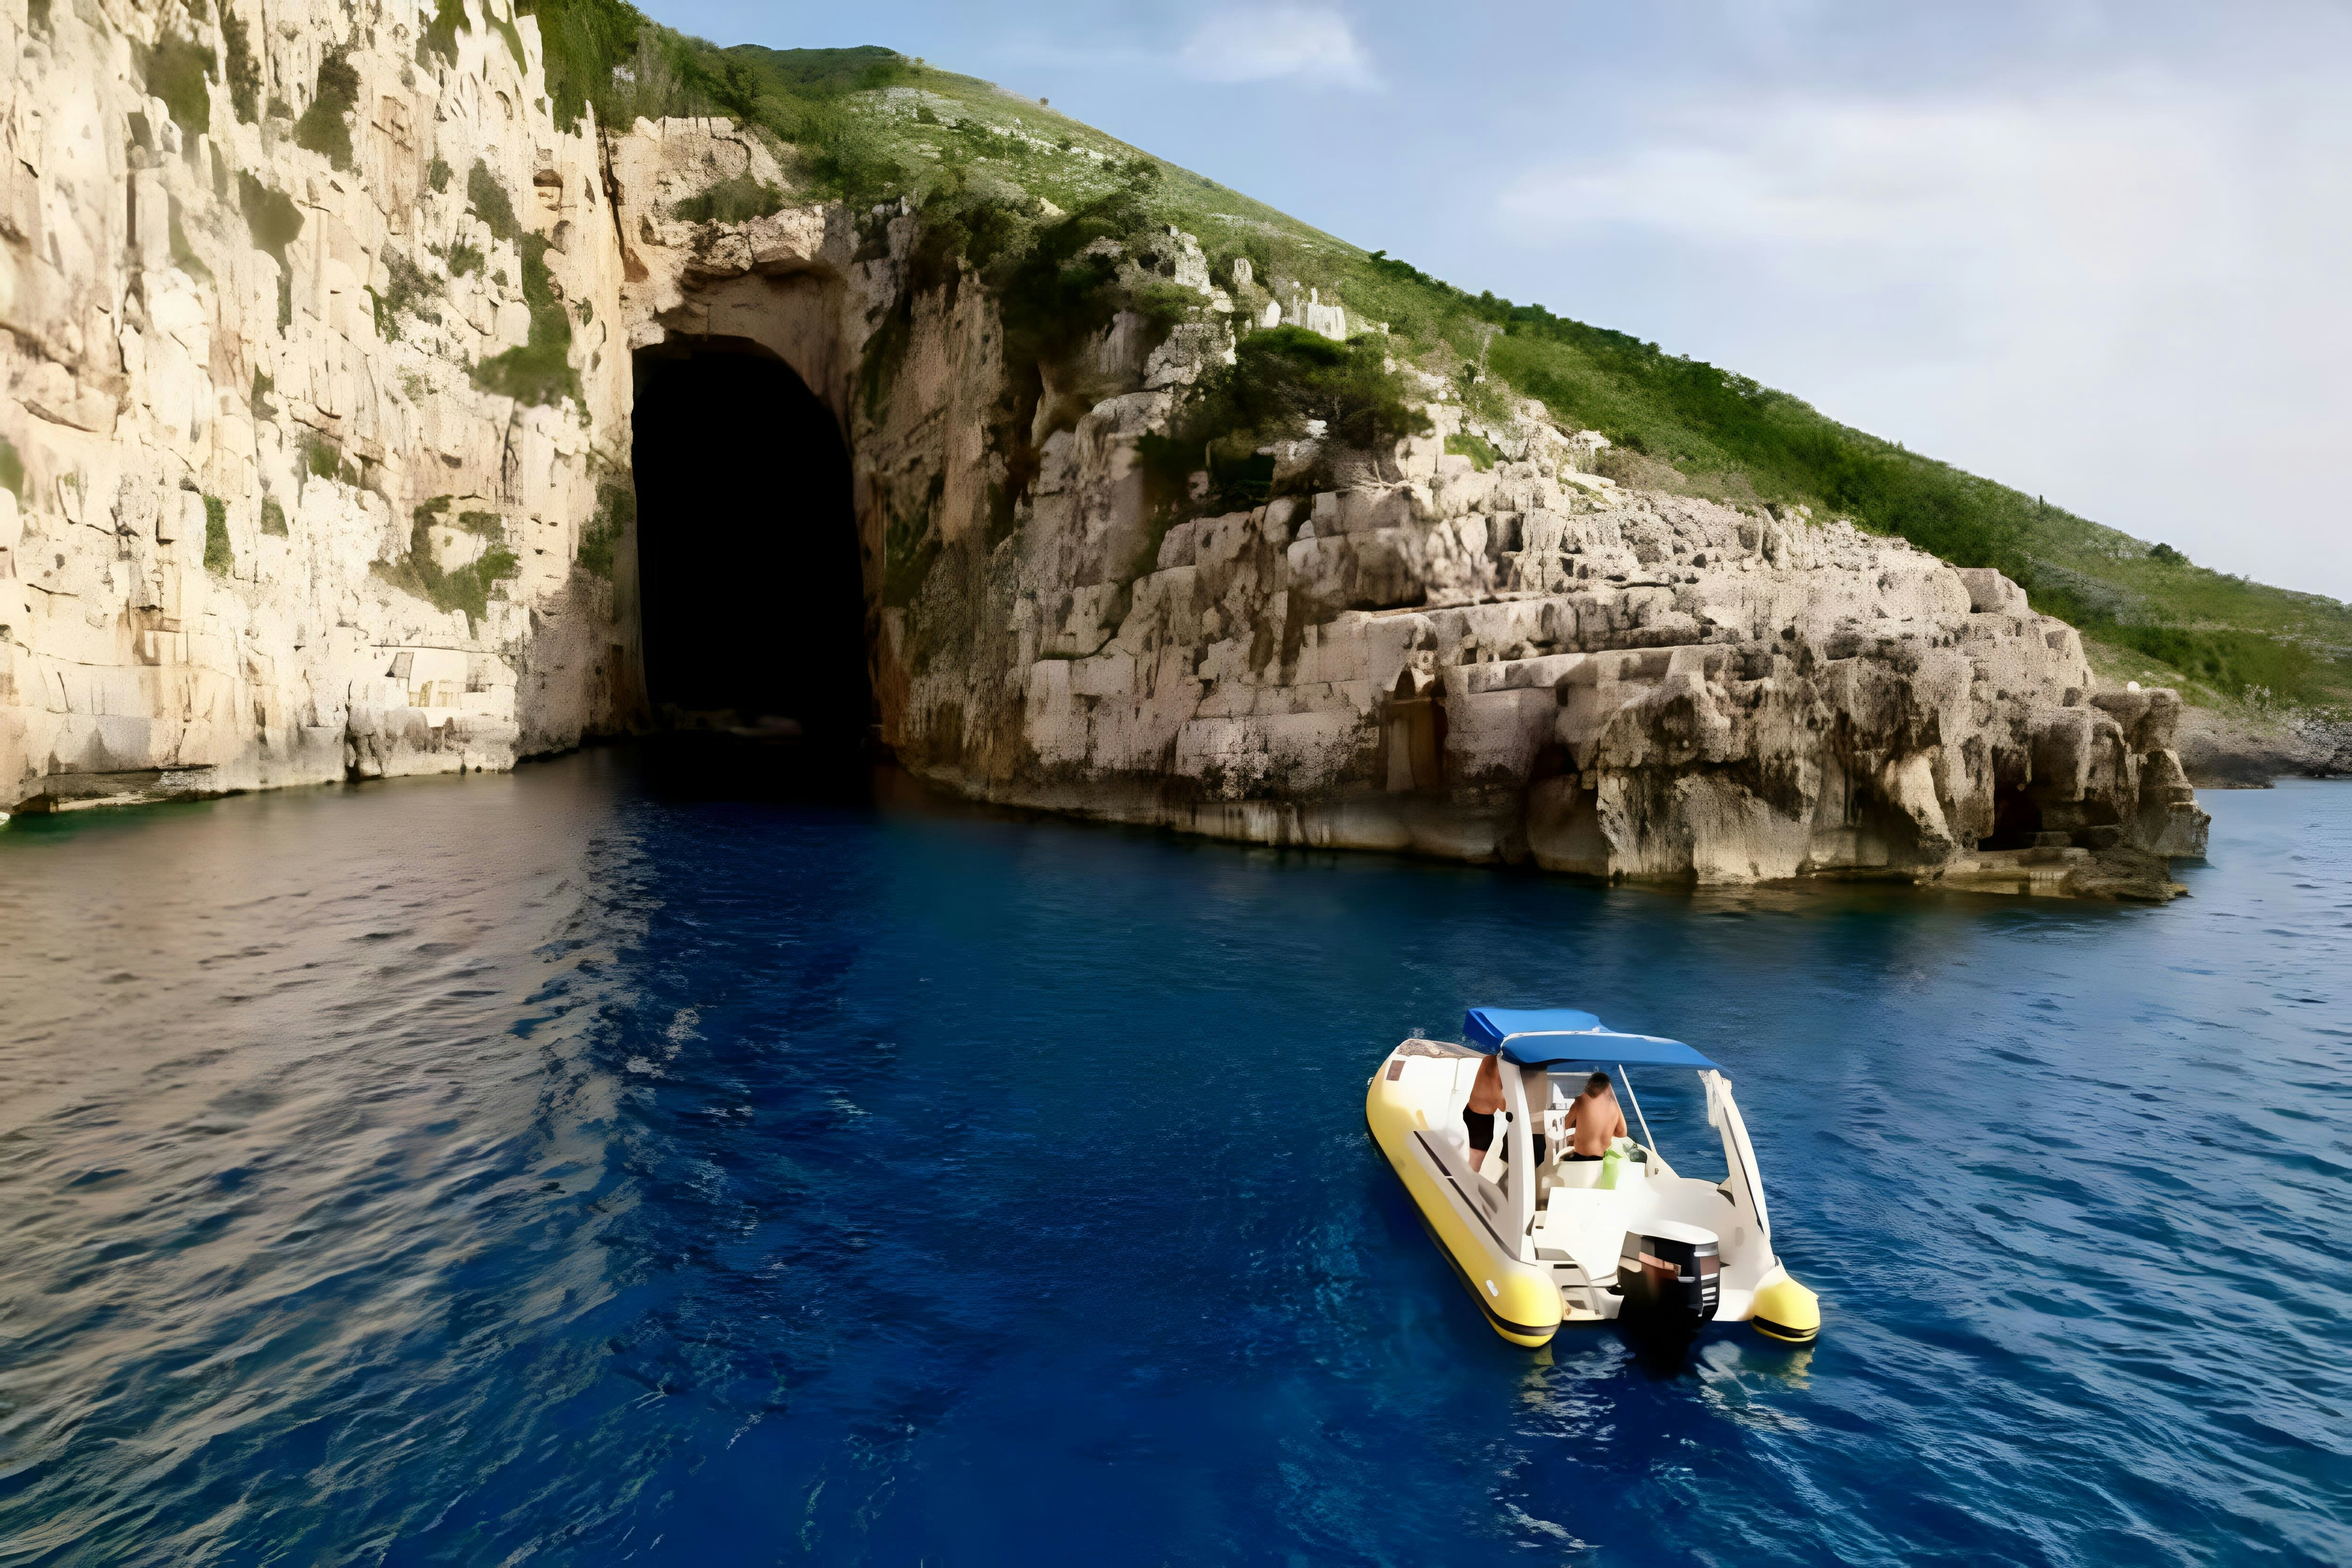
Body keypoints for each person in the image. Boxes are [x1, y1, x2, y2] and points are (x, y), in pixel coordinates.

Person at [1462, 1055, 1548, 1173]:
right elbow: (1503, 1105)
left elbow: (1501, 1104)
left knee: (1472, 1169)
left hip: (1478, 1119)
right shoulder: (1503, 1069)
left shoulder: (1493, 1062)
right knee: (1474, 1169)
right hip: (1484, 1123)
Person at [1561, 1071, 1629, 1161]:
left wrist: (1578, 1134)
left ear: (1590, 1085)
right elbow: (1622, 1133)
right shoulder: (1614, 1106)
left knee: (1563, 1158)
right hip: (1601, 1159)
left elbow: (1567, 1125)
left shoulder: (1582, 1100)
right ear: (1608, 1089)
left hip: (1580, 1157)